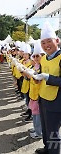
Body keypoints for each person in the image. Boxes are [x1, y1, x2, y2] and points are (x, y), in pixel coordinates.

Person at [33, 22, 61, 154]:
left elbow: (49, 77)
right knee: (45, 128)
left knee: (53, 132)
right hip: (43, 98)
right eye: (43, 43)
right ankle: (47, 149)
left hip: (56, 102)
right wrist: (37, 77)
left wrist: (47, 77)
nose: (46, 45)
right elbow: (42, 75)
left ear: (57, 41)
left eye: (49, 41)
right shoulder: (43, 59)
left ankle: (54, 152)